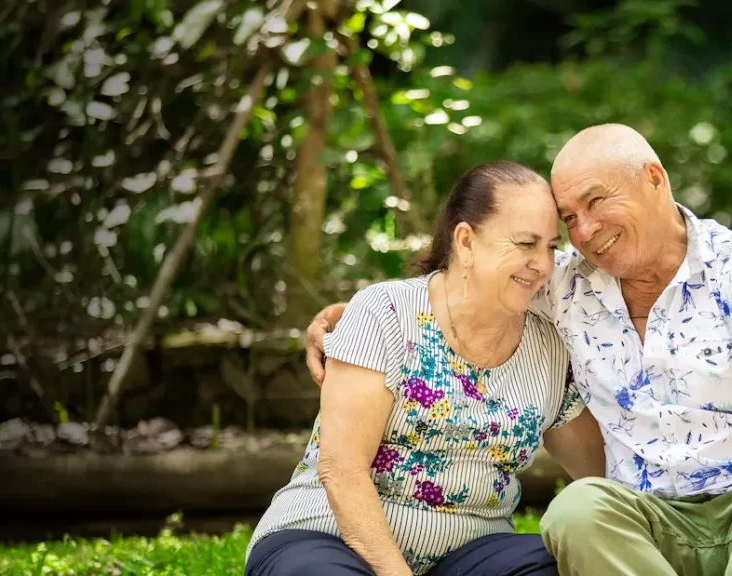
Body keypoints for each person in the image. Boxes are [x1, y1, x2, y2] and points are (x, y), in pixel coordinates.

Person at [305, 124, 732, 576]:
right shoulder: (564, 285)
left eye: (596, 202)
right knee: (576, 510)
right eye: (568, 218)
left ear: (655, 179)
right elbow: (467, 285)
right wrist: (347, 315)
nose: (585, 231)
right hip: (644, 532)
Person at [244, 161, 606, 576]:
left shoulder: (548, 347)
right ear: (466, 242)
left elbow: (602, 470)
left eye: (550, 247)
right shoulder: (386, 313)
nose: (542, 264)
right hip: (329, 537)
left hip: (474, 552)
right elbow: (341, 472)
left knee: (563, 567)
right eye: (526, 244)